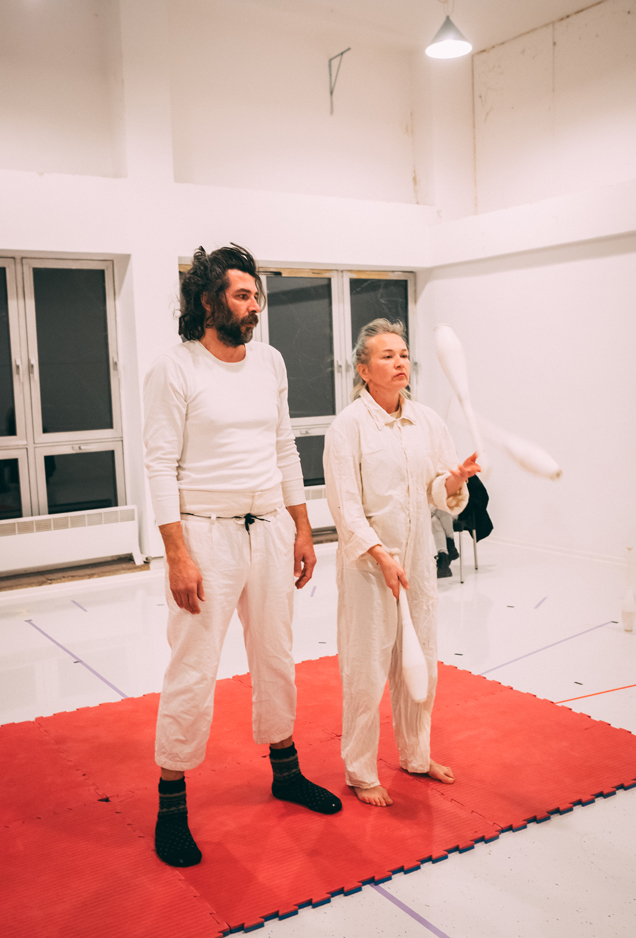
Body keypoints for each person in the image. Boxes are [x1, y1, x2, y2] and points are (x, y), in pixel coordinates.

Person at [144, 245, 342, 868]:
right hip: (205, 534)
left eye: (257, 296)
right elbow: (159, 465)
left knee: (277, 655)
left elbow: (284, 446)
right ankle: (171, 803)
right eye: (242, 295)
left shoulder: (270, 361)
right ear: (208, 301)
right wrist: (177, 554)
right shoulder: (175, 368)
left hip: (271, 528)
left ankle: (286, 771)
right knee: (193, 667)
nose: (255, 306)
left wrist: (303, 528)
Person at [323, 319, 480, 807]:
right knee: (367, 669)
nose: (400, 363)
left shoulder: (427, 422)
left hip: (417, 561)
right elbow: (345, 506)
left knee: (423, 662)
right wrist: (378, 555)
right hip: (369, 565)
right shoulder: (347, 427)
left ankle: (416, 754)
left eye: (405, 354)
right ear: (363, 369)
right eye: (387, 356)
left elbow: (435, 489)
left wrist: (454, 482)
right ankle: (360, 770)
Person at [431, 507, 459, 578]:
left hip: (454, 510)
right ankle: (450, 546)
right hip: (437, 511)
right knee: (434, 520)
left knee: (441, 509)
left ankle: (443, 560)